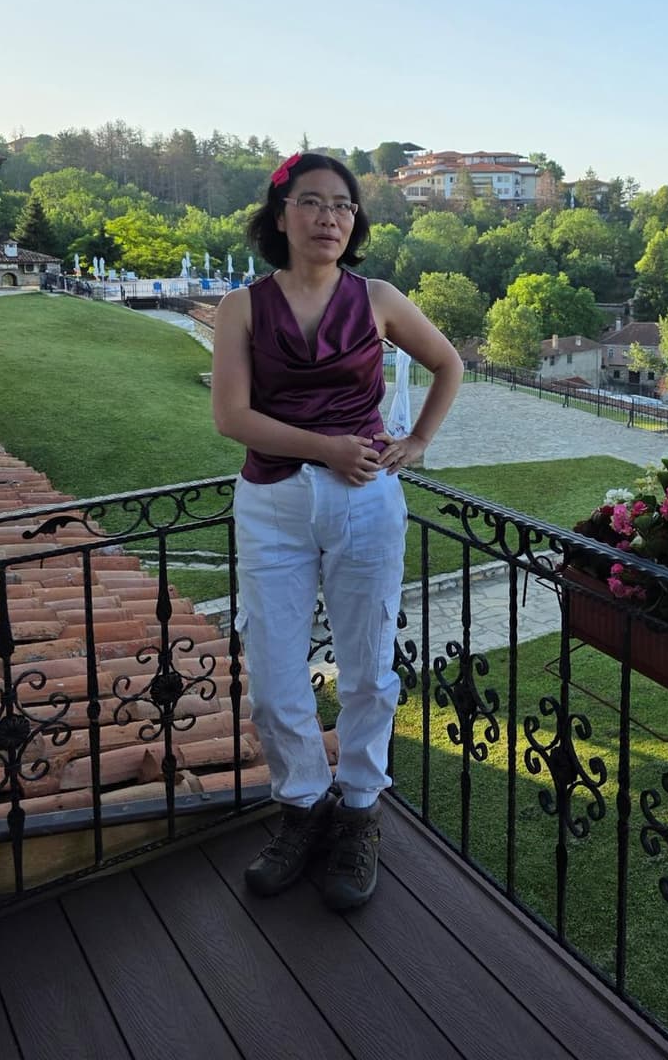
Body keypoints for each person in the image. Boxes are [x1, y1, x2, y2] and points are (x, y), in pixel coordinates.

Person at [211, 152, 462, 910]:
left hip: (365, 506)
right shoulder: (244, 307)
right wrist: (326, 448)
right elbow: (232, 417)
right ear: (280, 214)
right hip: (274, 504)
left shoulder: (379, 298)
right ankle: (303, 807)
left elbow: (449, 364)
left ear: (354, 223)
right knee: (276, 672)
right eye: (313, 203)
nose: (329, 217)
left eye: (343, 206)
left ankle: (358, 811)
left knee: (368, 668)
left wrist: (414, 443)